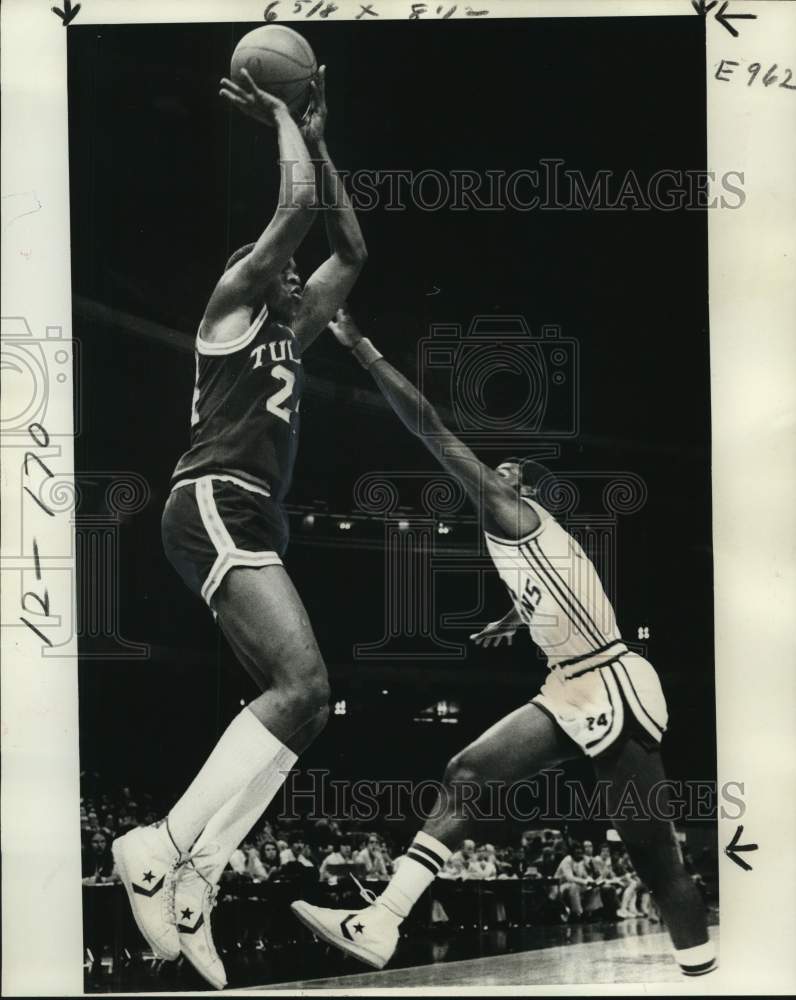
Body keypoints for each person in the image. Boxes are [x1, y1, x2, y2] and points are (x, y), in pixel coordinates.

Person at [290, 310, 716, 979]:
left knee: (659, 864)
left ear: (520, 491)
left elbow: (428, 426)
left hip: (610, 684)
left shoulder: (510, 511)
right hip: (569, 682)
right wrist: (515, 619)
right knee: (466, 775)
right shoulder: (526, 543)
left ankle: (707, 977)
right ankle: (381, 922)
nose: (496, 469)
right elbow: (561, 596)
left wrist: (363, 348)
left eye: (507, 469)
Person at [111, 67, 367, 991]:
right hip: (212, 498)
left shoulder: (291, 335)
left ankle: (198, 879)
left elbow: (350, 249)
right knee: (303, 681)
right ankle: (160, 844)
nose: (297, 275)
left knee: (308, 706)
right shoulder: (228, 312)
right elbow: (296, 211)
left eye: (295, 274)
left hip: (249, 510)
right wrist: (280, 119)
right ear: (253, 275)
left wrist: (323, 136)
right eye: (278, 267)